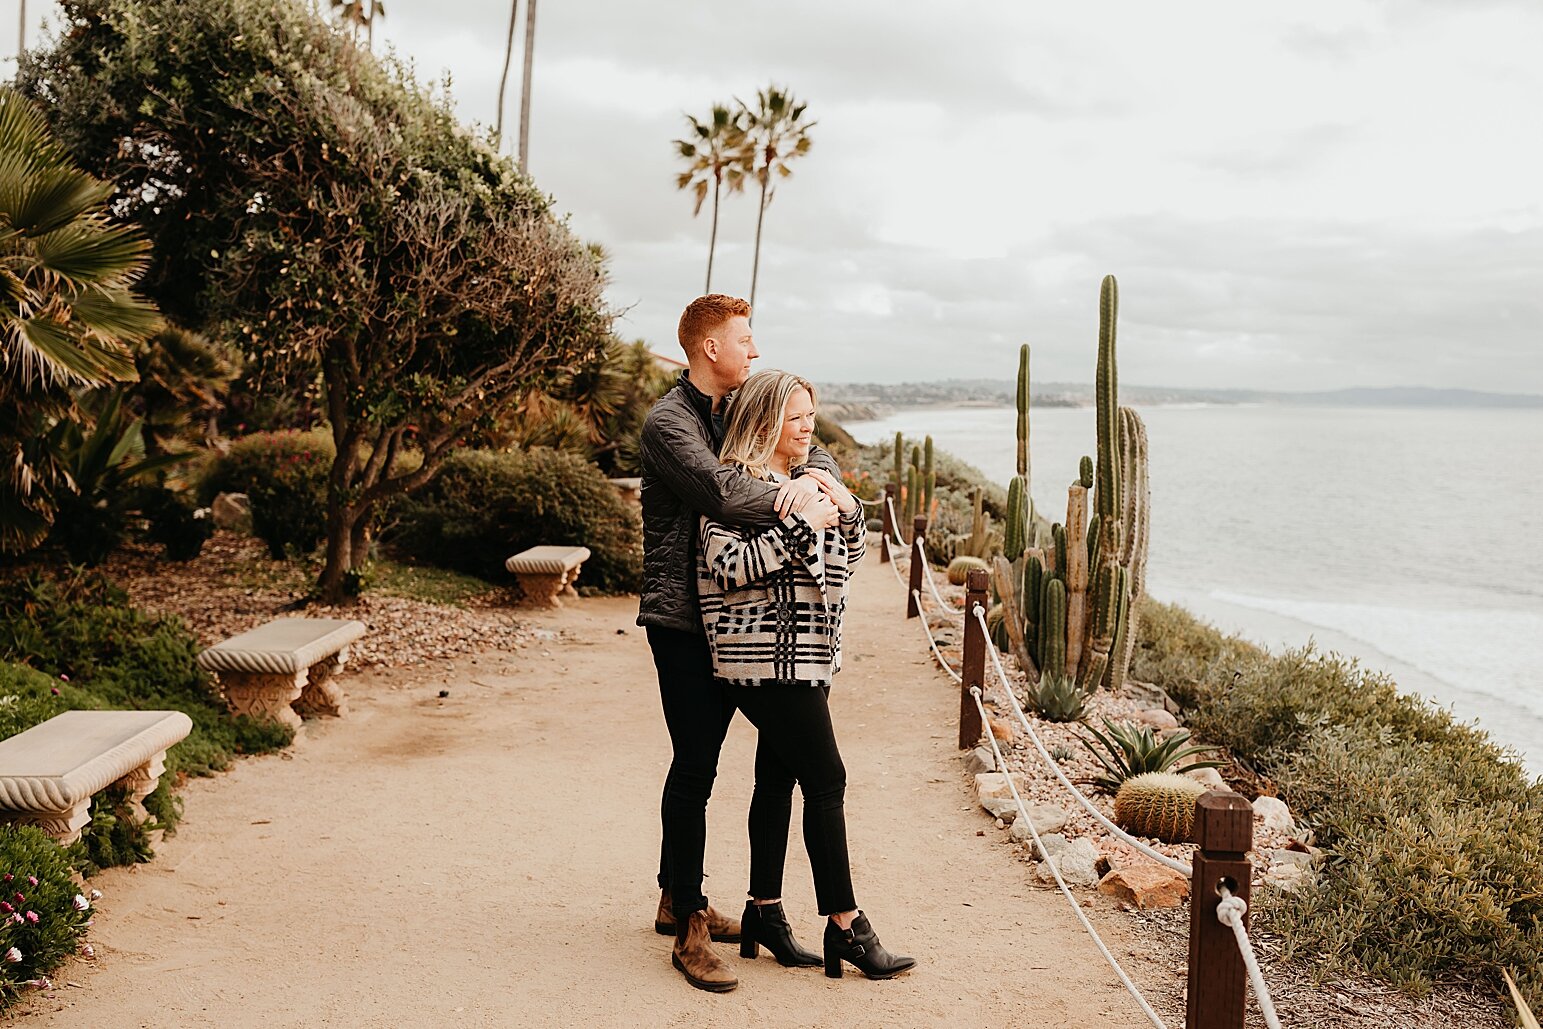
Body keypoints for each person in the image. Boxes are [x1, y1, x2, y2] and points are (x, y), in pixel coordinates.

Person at [637, 295, 841, 992]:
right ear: (709, 348)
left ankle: (735, 904)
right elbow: (723, 491)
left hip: (744, 628)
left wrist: (823, 483)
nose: (753, 352)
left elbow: (800, 443)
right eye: (743, 340)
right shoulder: (669, 422)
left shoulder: (735, 407)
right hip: (685, 623)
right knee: (695, 767)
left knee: (775, 763)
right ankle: (688, 919)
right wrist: (797, 501)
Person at [698, 369, 916, 982]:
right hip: (761, 658)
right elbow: (730, 566)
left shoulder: (800, 484)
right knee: (827, 778)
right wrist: (801, 524)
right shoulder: (736, 488)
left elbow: (843, 565)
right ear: (765, 421)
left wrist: (845, 512)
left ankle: (763, 911)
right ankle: (846, 924)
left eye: (811, 417)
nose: (808, 428)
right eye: (796, 418)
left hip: (806, 656)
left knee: (778, 776)